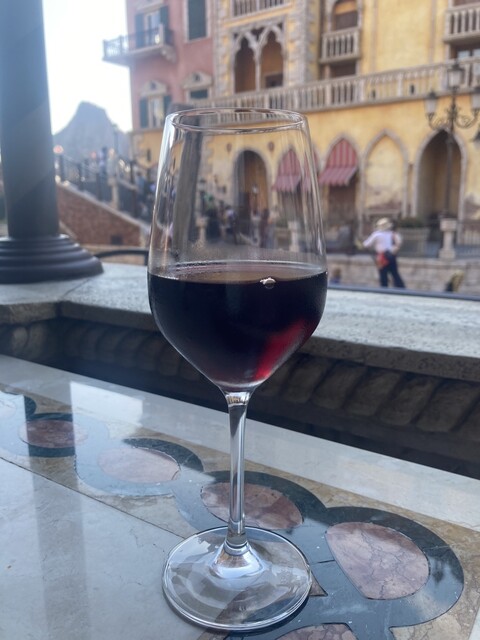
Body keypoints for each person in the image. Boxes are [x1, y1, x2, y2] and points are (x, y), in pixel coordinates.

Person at [363, 217, 405, 288]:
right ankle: (401, 288)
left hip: (381, 257)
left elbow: (366, 244)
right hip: (391, 255)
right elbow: (399, 242)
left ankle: (384, 289)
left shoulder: (376, 234)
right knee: (395, 273)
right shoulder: (393, 234)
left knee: (383, 275)